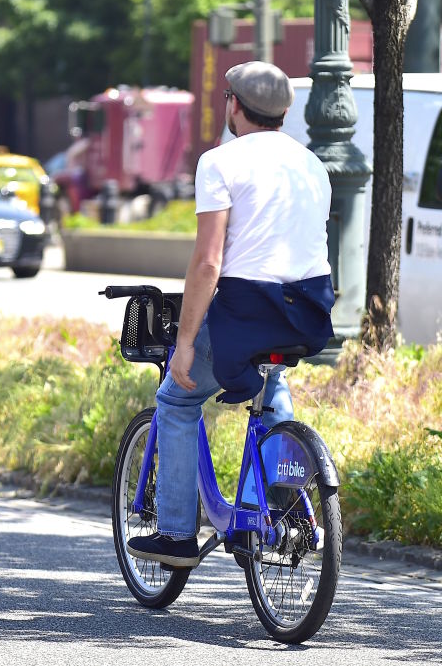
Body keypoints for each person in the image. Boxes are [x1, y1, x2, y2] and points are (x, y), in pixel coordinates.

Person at [126, 61, 335, 568]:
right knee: (272, 388)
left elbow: (208, 263)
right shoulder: (313, 165)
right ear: (285, 111)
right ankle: (267, 507)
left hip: (249, 311)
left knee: (176, 400)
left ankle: (176, 535)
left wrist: (185, 343)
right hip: (308, 312)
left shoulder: (221, 162)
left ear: (233, 105)